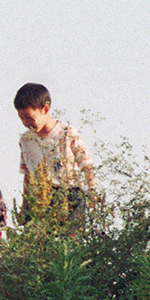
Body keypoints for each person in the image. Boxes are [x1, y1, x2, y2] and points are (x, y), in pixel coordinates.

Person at [13, 83, 97, 224]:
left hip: (69, 196)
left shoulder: (67, 133)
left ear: (45, 109)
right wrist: (24, 207)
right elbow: (28, 176)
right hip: (40, 199)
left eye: (29, 117)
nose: (26, 122)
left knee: (69, 242)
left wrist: (92, 191)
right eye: (22, 118)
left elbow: (86, 164)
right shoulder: (26, 140)